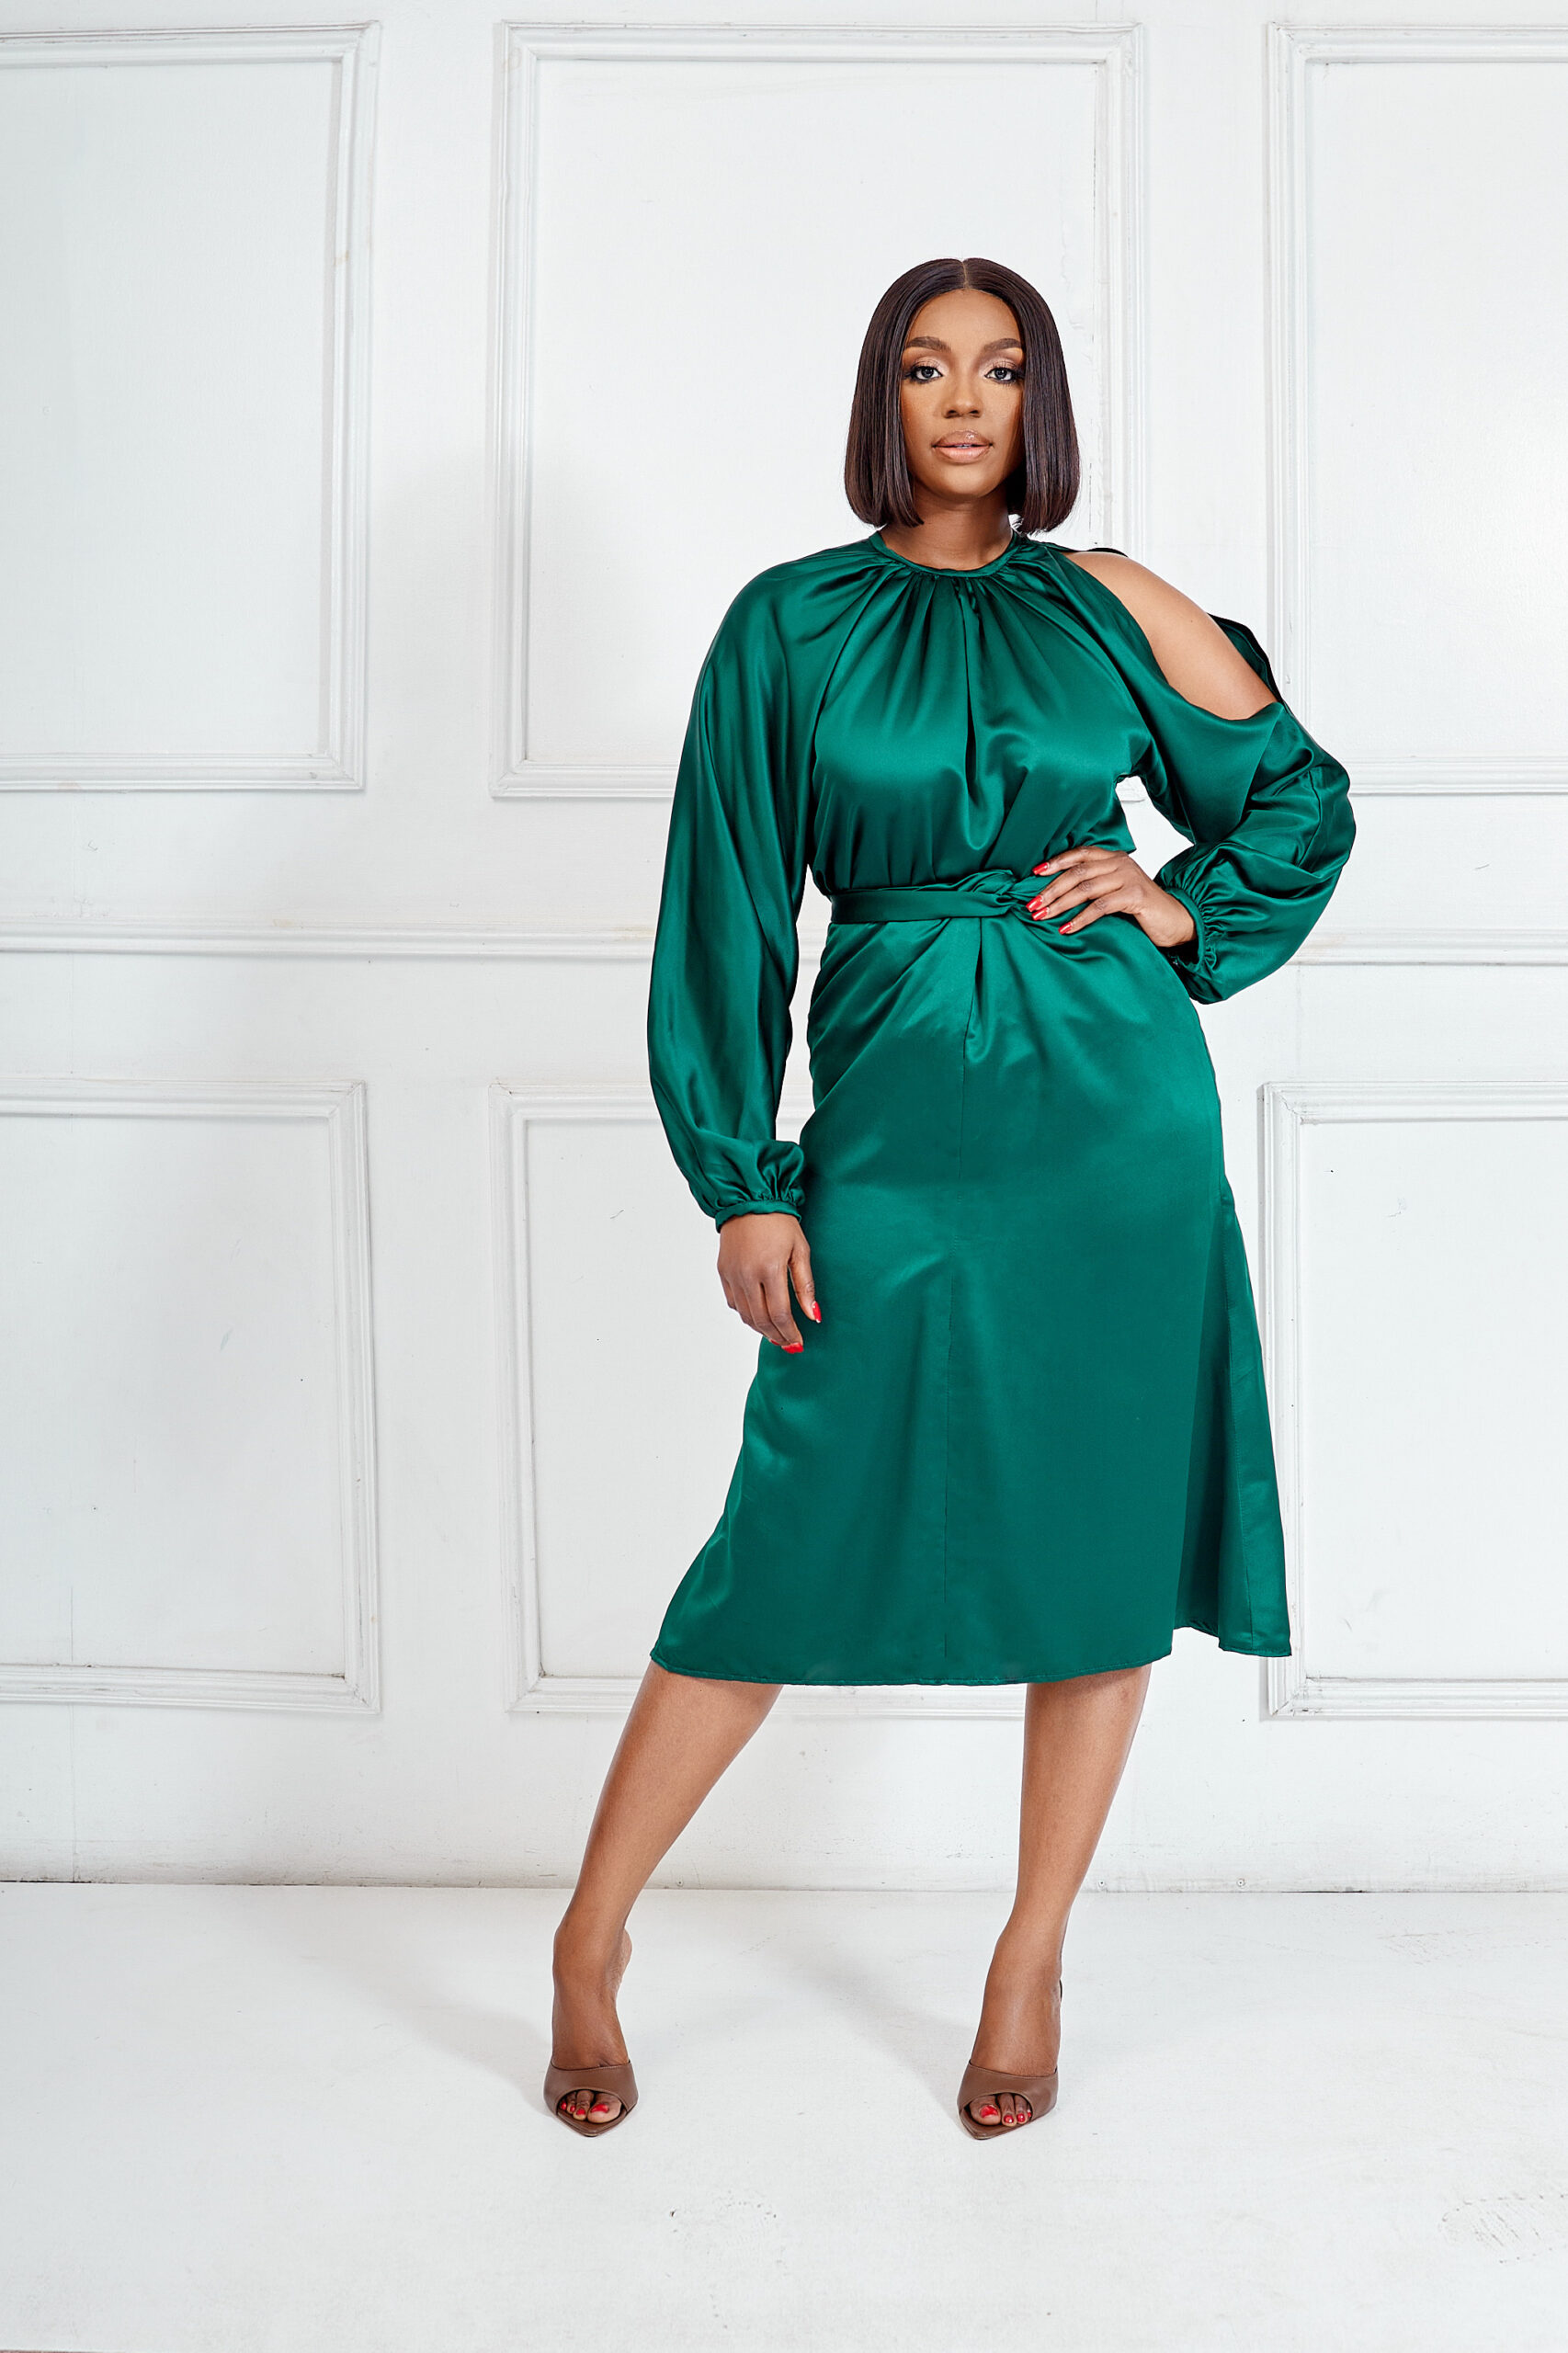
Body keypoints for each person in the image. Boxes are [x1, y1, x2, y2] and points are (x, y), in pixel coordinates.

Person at [543, 256, 1355, 2142]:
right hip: (897, 1118)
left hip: (1112, 1126)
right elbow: (725, 912)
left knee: (1094, 1535)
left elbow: (1295, 797)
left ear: (1037, 400)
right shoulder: (790, 623)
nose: (965, 400)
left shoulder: (1109, 602)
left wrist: (1180, 906)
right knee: (781, 1533)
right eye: (926, 367)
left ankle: (1027, 1958)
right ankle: (588, 1936)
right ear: (882, 398)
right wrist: (744, 1181)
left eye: (999, 368)